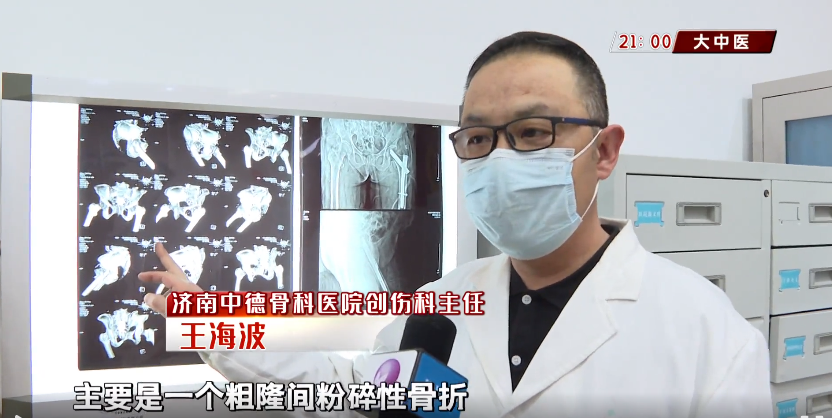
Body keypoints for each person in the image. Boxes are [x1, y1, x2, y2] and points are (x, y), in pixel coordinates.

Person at [140, 31, 773, 417]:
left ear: (603, 152)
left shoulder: (704, 331)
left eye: (533, 132)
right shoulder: (442, 308)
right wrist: (206, 320)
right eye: (477, 139)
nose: (499, 160)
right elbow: (347, 384)